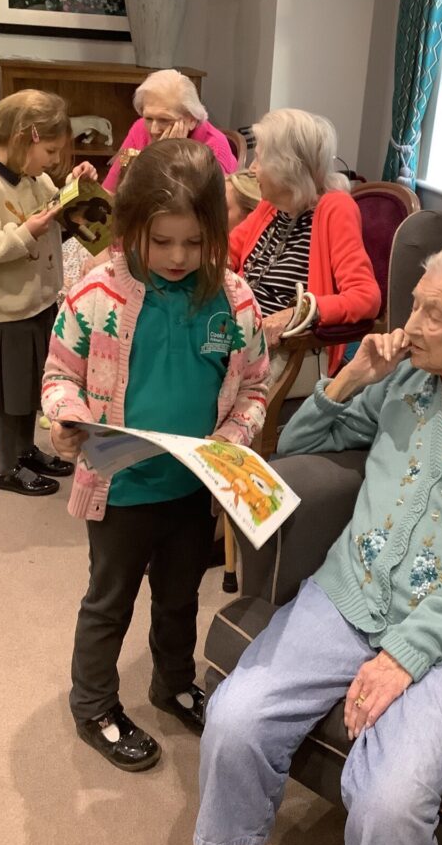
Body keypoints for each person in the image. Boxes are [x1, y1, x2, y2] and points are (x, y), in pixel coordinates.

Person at [195, 242, 442, 845]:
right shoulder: (406, 380)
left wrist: (406, 654)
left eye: (433, 313)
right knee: (234, 720)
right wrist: (352, 379)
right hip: (354, 592)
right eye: (413, 305)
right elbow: (299, 445)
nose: (410, 325)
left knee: (390, 803)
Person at [41, 138, 270, 772]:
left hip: (193, 488)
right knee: (108, 602)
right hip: (120, 490)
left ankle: (172, 683)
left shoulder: (234, 301)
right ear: (131, 227)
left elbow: (255, 386)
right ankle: (93, 705)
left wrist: (232, 441)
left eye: (194, 243)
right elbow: (59, 374)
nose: (176, 256)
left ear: (215, 234)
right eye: (161, 240)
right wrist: (67, 417)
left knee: (179, 597)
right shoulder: (95, 295)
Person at [0, 89, 96, 497]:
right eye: (50, 151)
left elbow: (54, 211)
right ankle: (5, 466)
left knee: (30, 389)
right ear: (24, 137)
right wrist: (23, 234)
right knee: (9, 398)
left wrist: (75, 187)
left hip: (39, 302)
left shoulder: (36, 179)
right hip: (8, 314)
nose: (54, 160)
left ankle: (25, 449)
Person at [229, 108, 380, 382]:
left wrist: (297, 314)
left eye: (259, 159)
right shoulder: (272, 205)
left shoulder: (335, 208)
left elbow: (365, 297)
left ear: (285, 167)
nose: (252, 169)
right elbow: (228, 251)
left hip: (288, 352)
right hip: (240, 333)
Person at [102, 69, 237, 194]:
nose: (154, 129)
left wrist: (167, 156)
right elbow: (111, 190)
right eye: (148, 118)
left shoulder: (214, 147)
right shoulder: (140, 128)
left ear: (191, 119)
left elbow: (205, 208)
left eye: (164, 120)